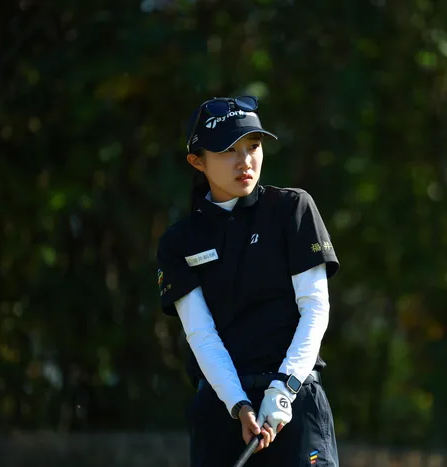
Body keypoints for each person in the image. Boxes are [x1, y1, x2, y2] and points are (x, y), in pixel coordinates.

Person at [156, 96, 340, 466]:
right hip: (221, 409)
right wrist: (238, 404)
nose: (245, 161)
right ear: (197, 161)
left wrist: (284, 386)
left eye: (253, 146)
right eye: (228, 150)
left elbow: (315, 308)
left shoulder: (292, 208)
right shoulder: (180, 241)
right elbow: (201, 334)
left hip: (295, 402)